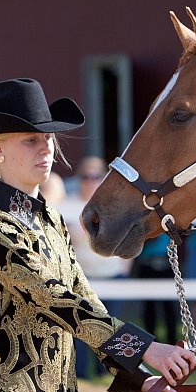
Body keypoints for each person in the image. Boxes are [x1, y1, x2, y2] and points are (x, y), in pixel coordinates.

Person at [0, 78, 196, 392]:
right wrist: (146, 347)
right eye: (31, 140)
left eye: (47, 138)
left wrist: (137, 378)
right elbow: (59, 302)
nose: (45, 148)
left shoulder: (52, 221)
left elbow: (86, 302)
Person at [68, 156, 132, 379]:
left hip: (112, 274)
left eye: (96, 176)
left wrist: (125, 267)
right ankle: (81, 373)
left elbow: (127, 237)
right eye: (86, 176)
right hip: (83, 277)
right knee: (81, 326)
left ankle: (109, 372)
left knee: (113, 325)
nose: (91, 181)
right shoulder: (69, 204)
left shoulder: (114, 204)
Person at [131, 234, 179, 345]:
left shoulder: (171, 220)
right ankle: (151, 340)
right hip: (147, 263)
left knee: (169, 306)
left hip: (167, 262)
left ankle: (172, 339)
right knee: (149, 305)